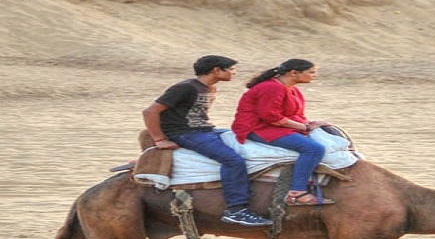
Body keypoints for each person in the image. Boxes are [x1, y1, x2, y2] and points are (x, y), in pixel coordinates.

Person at [142, 55, 274, 227]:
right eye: (231, 69)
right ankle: (236, 210)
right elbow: (150, 112)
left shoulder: (210, 88)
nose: (234, 72)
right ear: (216, 70)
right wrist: (160, 139)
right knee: (232, 160)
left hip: (205, 130)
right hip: (184, 133)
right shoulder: (185, 88)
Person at [231, 58, 335, 206]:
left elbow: (293, 114)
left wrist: (311, 123)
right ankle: (297, 193)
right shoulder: (272, 88)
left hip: (274, 125)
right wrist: (304, 127)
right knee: (313, 149)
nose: (314, 76)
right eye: (311, 72)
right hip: (258, 128)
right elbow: (270, 116)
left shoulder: (291, 88)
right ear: (294, 73)